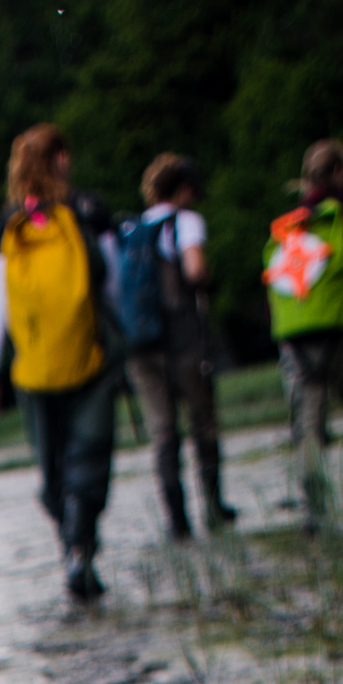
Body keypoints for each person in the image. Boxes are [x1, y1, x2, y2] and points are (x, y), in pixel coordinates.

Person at [0, 125, 122, 605]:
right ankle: (82, 545)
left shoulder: (10, 223)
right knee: (90, 454)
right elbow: (115, 285)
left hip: (34, 368)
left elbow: (0, 305)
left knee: (53, 465)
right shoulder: (88, 211)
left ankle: (72, 548)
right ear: (60, 158)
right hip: (90, 355)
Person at [263, 138, 343, 515]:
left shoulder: (291, 223)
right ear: (338, 172)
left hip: (300, 340)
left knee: (308, 425)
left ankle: (314, 512)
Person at [115, 151, 235, 539]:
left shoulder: (131, 229)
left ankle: (177, 523)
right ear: (183, 189)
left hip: (139, 349)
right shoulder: (185, 221)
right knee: (203, 423)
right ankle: (214, 509)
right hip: (182, 339)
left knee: (163, 433)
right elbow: (195, 269)